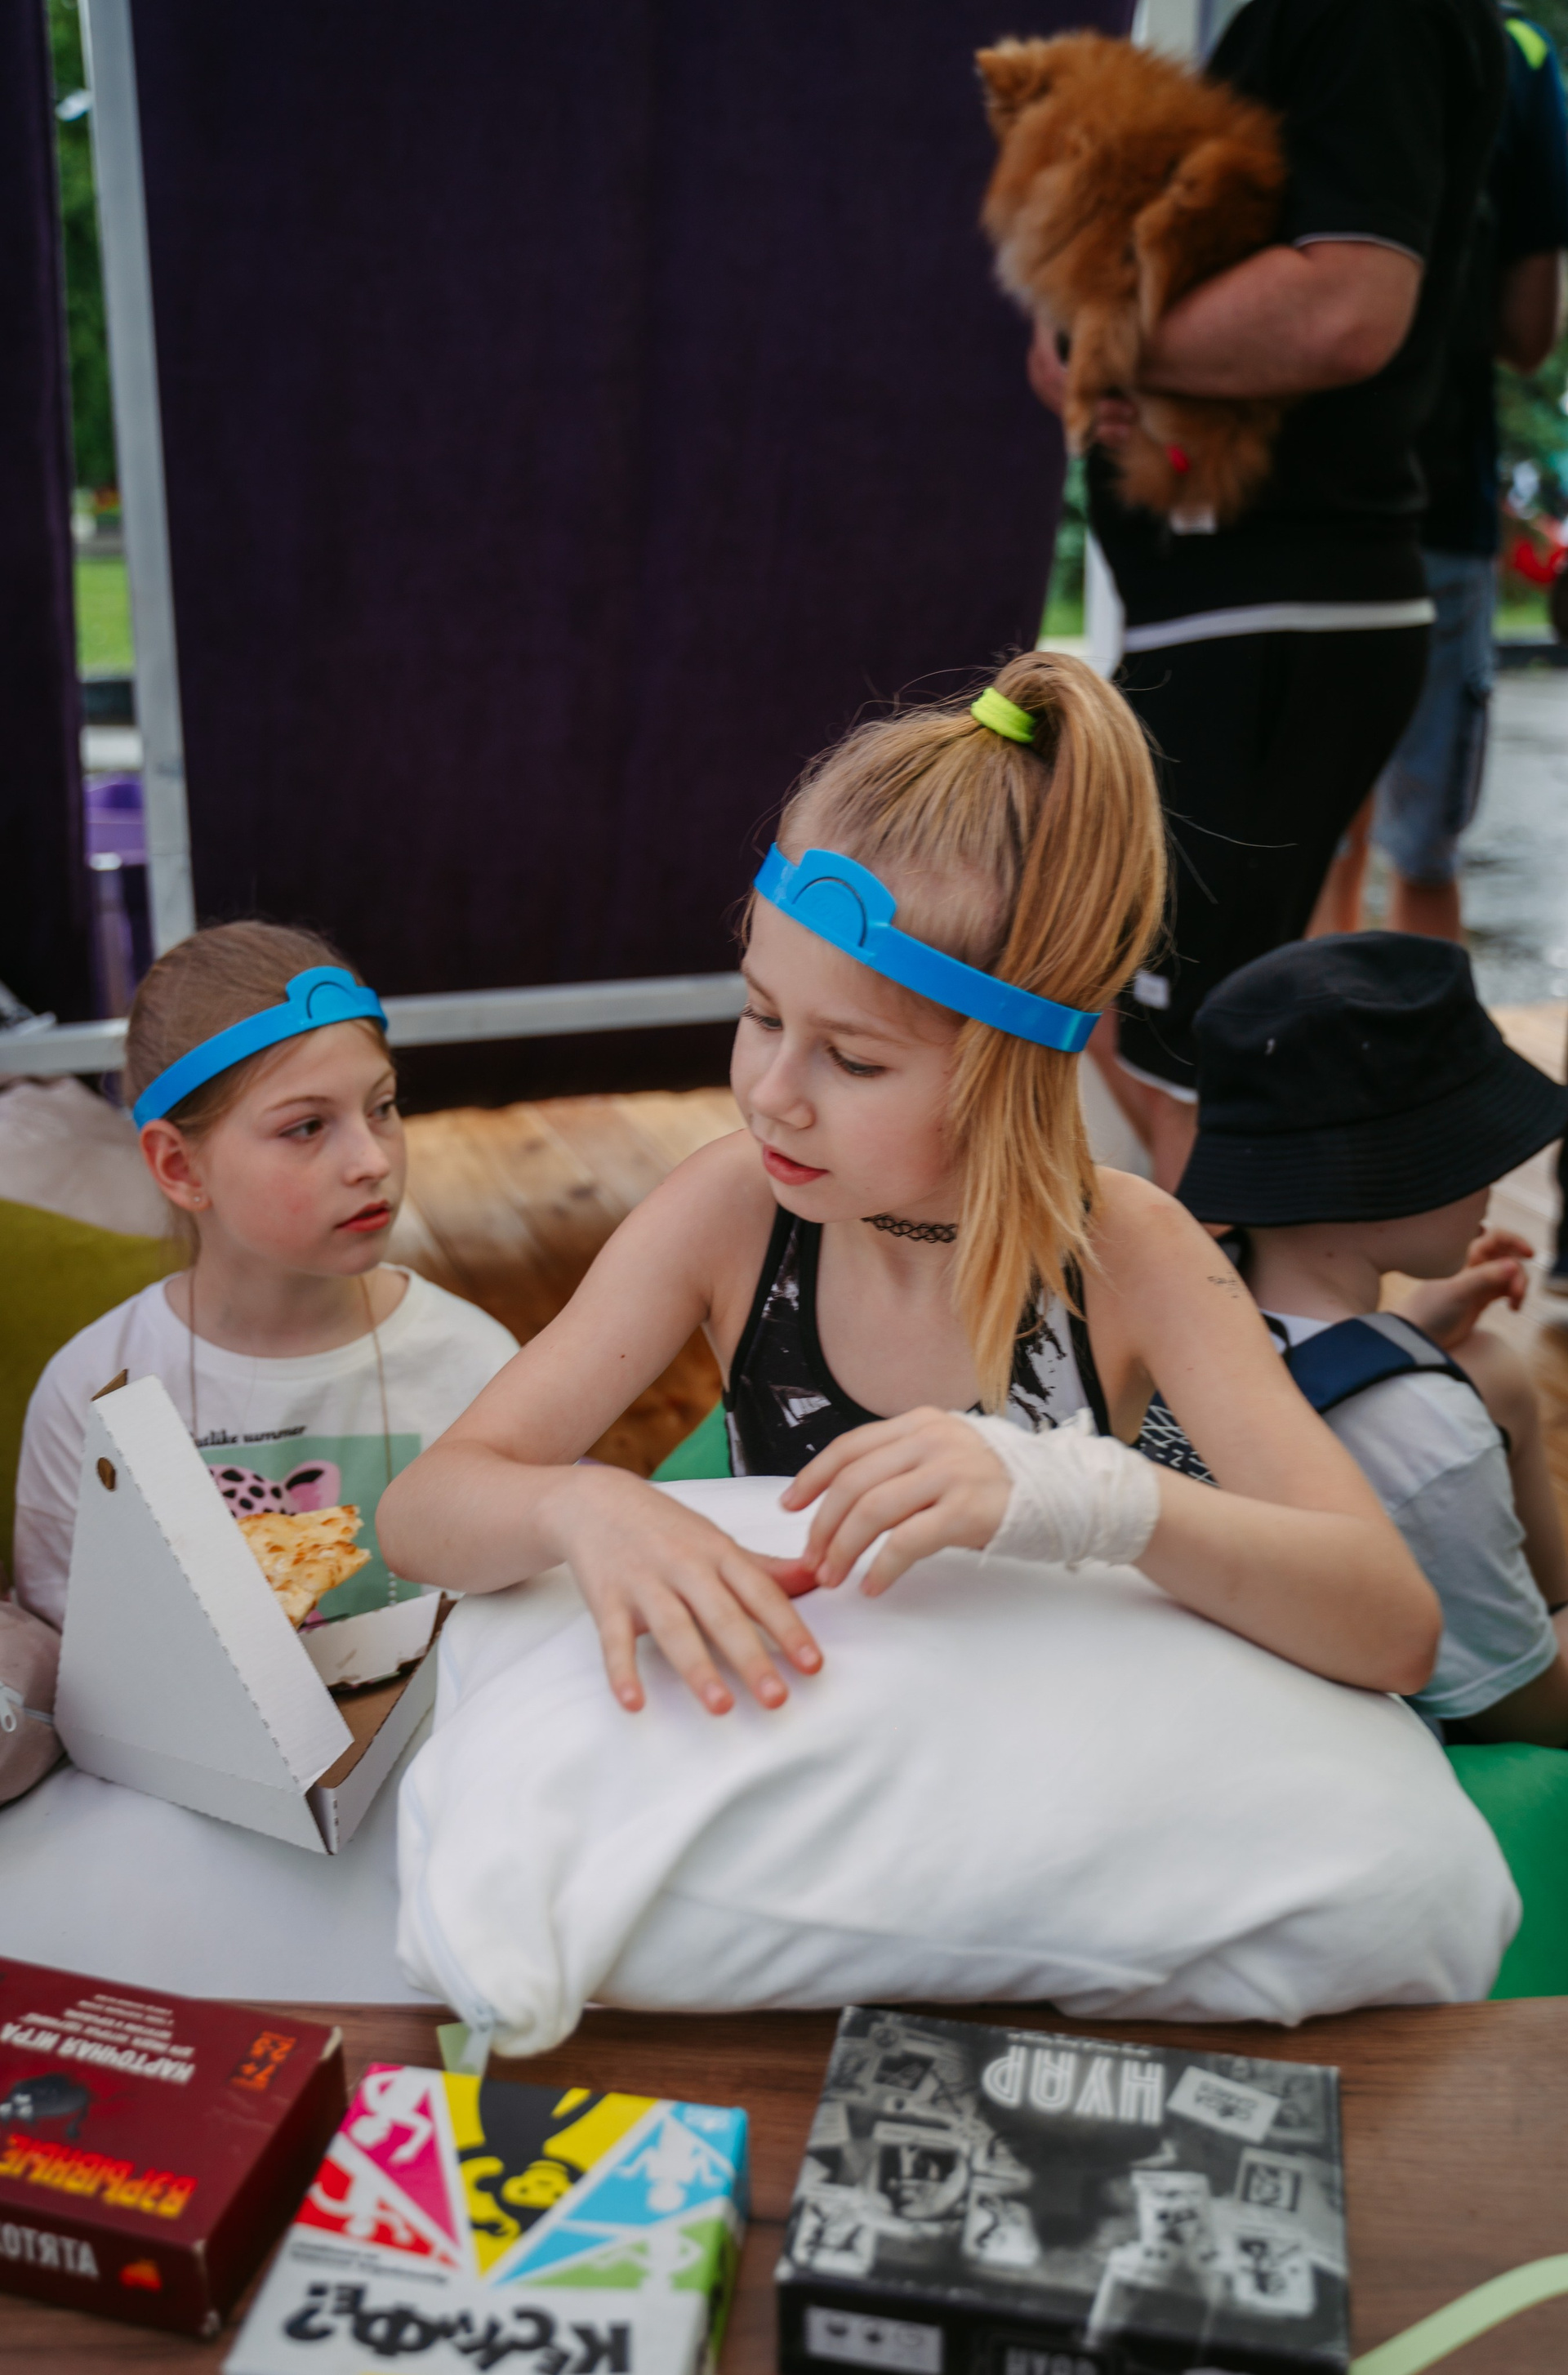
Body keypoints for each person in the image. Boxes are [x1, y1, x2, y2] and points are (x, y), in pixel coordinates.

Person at [379, 653, 1440, 1718]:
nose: (772, 1095)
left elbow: (1394, 1630)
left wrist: (1093, 1500)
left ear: (1008, 1070)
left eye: (853, 1060)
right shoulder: (732, 1209)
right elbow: (421, 1516)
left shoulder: (1131, 1252)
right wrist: (583, 1505)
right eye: (761, 1014)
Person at [1027, 0, 1507, 1189]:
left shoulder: (1364, 17)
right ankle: (1279, 1270)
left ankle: (1258, 1295)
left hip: (1273, 611)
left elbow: (1349, 306)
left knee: (1185, 1066)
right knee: (1111, 996)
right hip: (1233, 612)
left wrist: (1101, 344)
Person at [13, 921, 519, 1630]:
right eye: (306, 1127)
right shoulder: (93, 1391)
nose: (373, 1160)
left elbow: (529, 1624)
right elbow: (68, 1652)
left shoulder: (476, 1362)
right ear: (180, 1167)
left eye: (382, 1108)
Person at [1173, 930, 1568, 1744]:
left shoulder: (1181, 1302)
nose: (1495, 1176)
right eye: (1476, 1146)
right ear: (1392, 1170)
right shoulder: (1425, 1435)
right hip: (1402, 1743)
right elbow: (1525, 1710)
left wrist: (1406, 1334)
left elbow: (1287, 1391)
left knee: (1488, 1365)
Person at [1312, 7, 1568, 941]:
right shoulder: (1515, 51)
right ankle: (1417, 1036)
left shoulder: (1301, 28)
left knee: (1318, 834)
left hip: (1304, 503)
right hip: (1439, 497)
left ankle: (1315, 1030)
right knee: (1423, 856)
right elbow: (1529, 332)